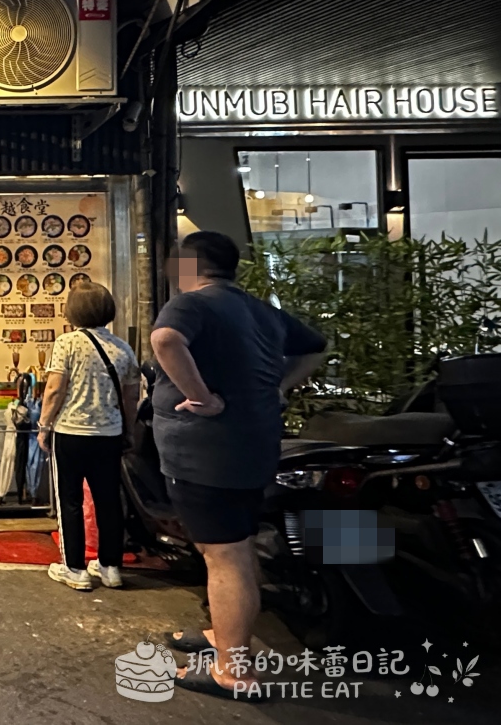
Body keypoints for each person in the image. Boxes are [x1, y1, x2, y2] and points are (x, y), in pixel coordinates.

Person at [150, 231, 326, 700]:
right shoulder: (258, 309)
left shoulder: (193, 304)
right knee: (237, 546)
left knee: (223, 554)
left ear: (190, 265)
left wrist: (199, 396)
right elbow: (316, 346)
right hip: (252, 447)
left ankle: (233, 670)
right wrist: (279, 387)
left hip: (207, 454)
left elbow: (165, 340)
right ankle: (223, 636)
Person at [36, 281, 140, 592]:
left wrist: (44, 425)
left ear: (73, 311)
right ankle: (110, 567)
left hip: (71, 432)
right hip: (108, 433)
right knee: (108, 500)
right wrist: (129, 431)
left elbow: (55, 389)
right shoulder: (123, 348)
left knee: (69, 500)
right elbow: (131, 397)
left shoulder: (67, 343)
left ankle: (75, 569)